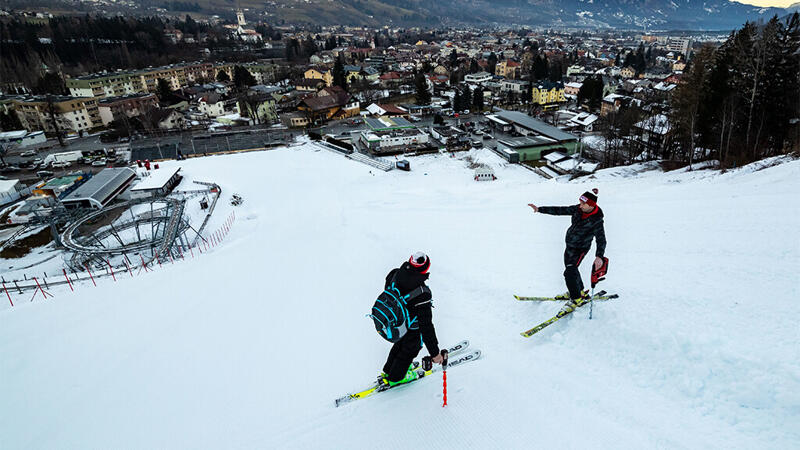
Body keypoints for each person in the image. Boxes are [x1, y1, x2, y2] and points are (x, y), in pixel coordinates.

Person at [527, 189, 607, 313]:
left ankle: (576, 299)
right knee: (572, 270)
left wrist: (599, 256)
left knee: (569, 271)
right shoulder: (578, 209)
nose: (579, 205)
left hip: (581, 248)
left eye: (583, 204)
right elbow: (561, 210)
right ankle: (577, 291)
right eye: (579, 203)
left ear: (591, 205)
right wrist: (540, 209)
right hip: (569, 245)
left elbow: (601, 240)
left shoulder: (596, 220)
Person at [380, 252, 443, 387]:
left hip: (396, 322)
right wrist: (435, 353)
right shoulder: (422, 293)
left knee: (399, 344)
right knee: (410, 349)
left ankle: (388, 371)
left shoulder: (395, 274)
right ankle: (396, 377)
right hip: (412, 326)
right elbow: (426, 326)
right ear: (426, 269)